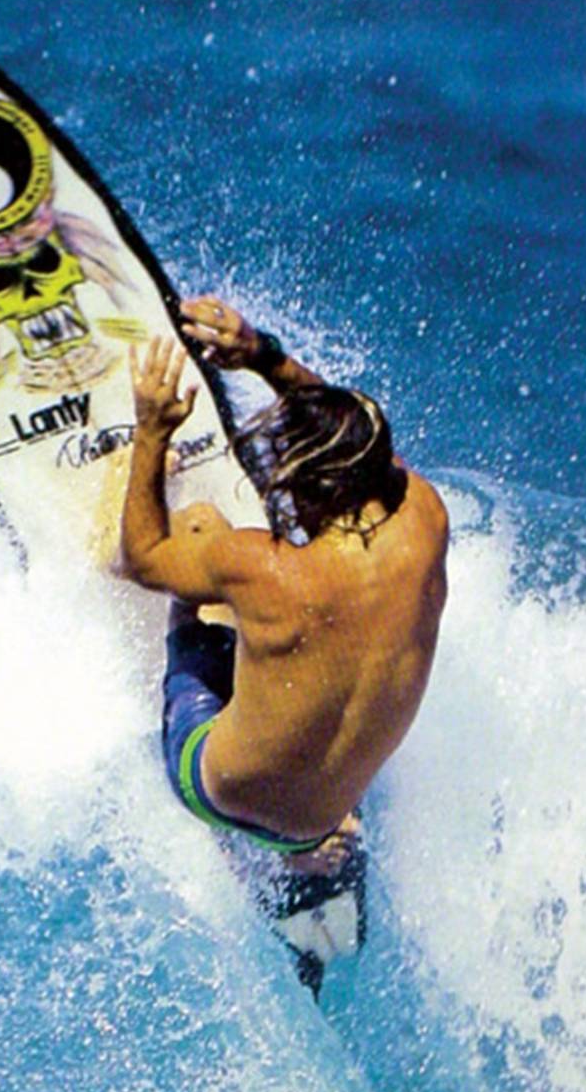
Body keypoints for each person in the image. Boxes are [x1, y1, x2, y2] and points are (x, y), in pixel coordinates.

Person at [121, 295, 448, 873]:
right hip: (317, 820)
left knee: (199, 527)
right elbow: (353, 432)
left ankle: (228, 837)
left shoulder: (262, 570)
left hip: (214, 789)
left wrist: (151, 432)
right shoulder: (425, 516)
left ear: (313, 489)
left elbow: (143, 559)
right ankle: (304, 851)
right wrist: (261, 354)